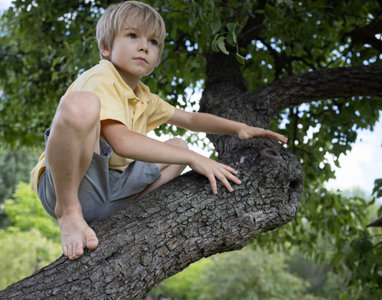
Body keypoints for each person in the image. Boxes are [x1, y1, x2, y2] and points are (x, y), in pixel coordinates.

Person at [30, 1, 288, 261]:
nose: (144, 46)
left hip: (112, 191)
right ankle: (69, 212)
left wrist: (239, 128)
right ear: (106, 47)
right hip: (72, 184)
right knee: (81, 105)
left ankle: (125, 216)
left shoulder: (143, 96)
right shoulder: (102, 77)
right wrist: (195, 159)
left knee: (179, 145)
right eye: (132, 36)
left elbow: (190, 119)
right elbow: (122, 142)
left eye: (153, 42)